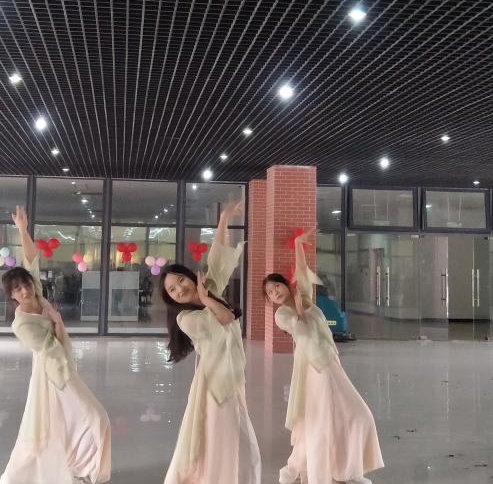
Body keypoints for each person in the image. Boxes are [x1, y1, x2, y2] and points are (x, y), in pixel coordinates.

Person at [0, 205, 111, 484]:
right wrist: (58, 323)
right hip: (54, 373)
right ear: (12, 296)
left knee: (73, 420)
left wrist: (22, 230)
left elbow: (31, 258)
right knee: (95, 417)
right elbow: (53, 349)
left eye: (26, 285)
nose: (25, 290)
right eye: (18, 289)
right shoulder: (22, 324)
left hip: (62, 366)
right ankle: (80, 468)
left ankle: (84, 468)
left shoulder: (36, 294)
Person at [264, 228, 383, 484]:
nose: (275, 293)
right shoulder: (282, 315)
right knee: (323, 420)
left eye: (277, 286)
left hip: (329, 361)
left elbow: (302, 271)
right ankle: (328, 472)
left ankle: (336, 470)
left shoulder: (306, 299)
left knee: (351, 415)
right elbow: (301, 331)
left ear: (286, 285)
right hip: (313, 366)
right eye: (270, 293)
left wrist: (298, 244)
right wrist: (298, 309)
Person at [160, 201, 260, 484]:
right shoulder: (186, 319)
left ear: (191, 277)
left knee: (237, 445)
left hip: (232, 380)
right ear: (171, 299)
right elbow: (225, 318)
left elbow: (217, 257)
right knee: (228, 444)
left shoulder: (210, 290)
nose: (179, 289)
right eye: (172, 290)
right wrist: (206, 299)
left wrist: (224, 218)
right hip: (215, 385)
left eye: (181, 281)